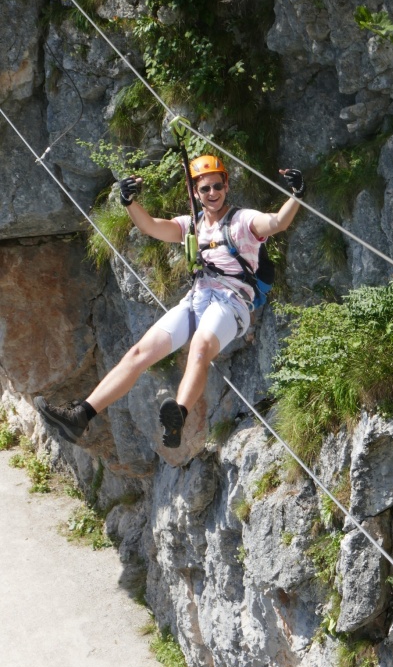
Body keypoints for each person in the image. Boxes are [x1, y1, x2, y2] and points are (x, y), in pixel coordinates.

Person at [36, 155, 305, 448]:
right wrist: (129, 202)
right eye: (205, 189)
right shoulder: (191, 224)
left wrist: (296, 196)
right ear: (195, 192)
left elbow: (276, 223)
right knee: (139, 353)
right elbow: (151, 227)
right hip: (197, 299)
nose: (212, 193)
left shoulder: (243, 220)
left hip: (232, 302)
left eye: (217, 186)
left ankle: (179, 414)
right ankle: (81, 416)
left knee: (201, 346)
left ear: (226, 185)